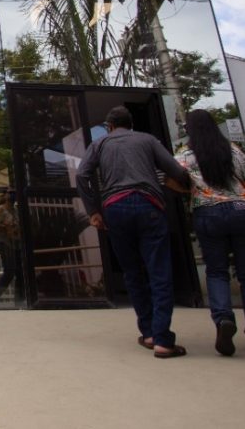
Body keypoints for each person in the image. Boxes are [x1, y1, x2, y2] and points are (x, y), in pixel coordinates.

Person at [77, 105, 193, 358]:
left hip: (114, 208)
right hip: (148, 204)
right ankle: (162, 339)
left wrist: (93, 211)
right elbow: (176, 171)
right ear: (131, 125)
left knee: (132, 272)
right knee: (159, 271)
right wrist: (189, 186)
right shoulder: (147, 140)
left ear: (109, 126)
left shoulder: (99, 144)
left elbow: (82, 174)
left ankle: (148, 332)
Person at [176, 109, 245, 356]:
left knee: (216, 272)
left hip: (208, 212)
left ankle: (223, 319)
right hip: (243, 210)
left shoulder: (185, 156)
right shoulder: (233, 151)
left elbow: (169, 178)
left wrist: (192, 188)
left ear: (189, 130)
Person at [0, 187, 23, 307]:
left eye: (14, 193)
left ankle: (19, 300)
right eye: (10, 193)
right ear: (5, 195)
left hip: (16, 243)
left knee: (20, 272)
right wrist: (4, 227)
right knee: (9, 271)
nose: (13, 195)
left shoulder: (15, 210)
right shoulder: (1, 209)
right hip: (5, 242)